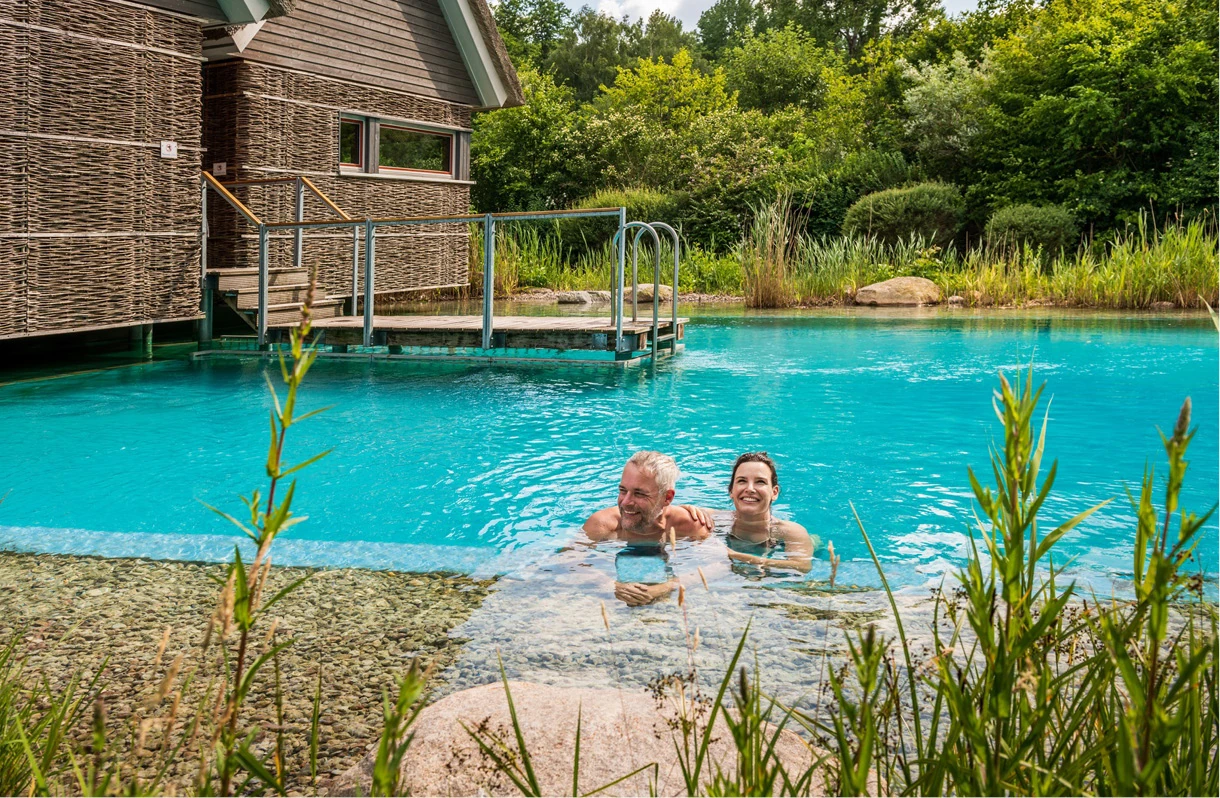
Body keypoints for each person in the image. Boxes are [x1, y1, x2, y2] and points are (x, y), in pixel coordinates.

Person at [583, 450, 713, 605]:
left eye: (639, 494)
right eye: (623, 491)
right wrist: (611, 584)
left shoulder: (690, 525)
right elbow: (567, 561)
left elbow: (718, 565)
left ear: (667, 497)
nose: (625, 502)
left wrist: (663, 588)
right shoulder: (603, 524)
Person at [721, 452, 816, 574]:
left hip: (781, 542)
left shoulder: (789, 532)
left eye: (760, 481)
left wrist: (733, 555)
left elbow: (802, 566)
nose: (750, 489)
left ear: (774, 492)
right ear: (731, 491)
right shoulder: (715, 520)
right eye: (742, 481)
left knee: (815, 543)